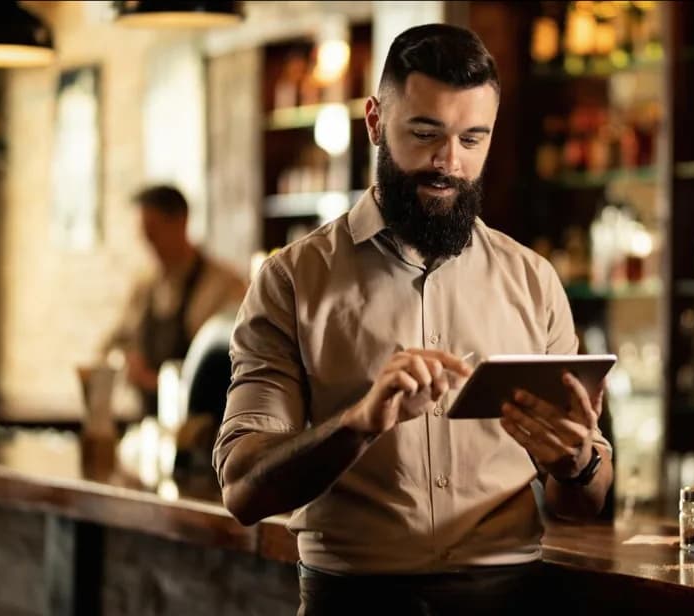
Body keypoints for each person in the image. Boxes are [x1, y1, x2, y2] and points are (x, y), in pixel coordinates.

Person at [213, 24, 614, 616]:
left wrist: (577, 463)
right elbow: (243, 489)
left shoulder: (534, 281)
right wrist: (358, 423)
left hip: (509, 600)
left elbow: (585, 501)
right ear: (375, 121)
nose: (449, 162)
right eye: (425, 133)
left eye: (472, 139)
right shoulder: (291, 281)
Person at [104, 185, 247, 416]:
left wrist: (163, 384)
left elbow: (234, 363)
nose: (148, 242)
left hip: (203, 427)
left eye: (153, 231)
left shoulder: (224, 285)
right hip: (149, 423)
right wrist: (125, 362)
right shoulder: (144, 285)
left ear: (181, 222)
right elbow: (112, 345)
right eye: (144, 233)